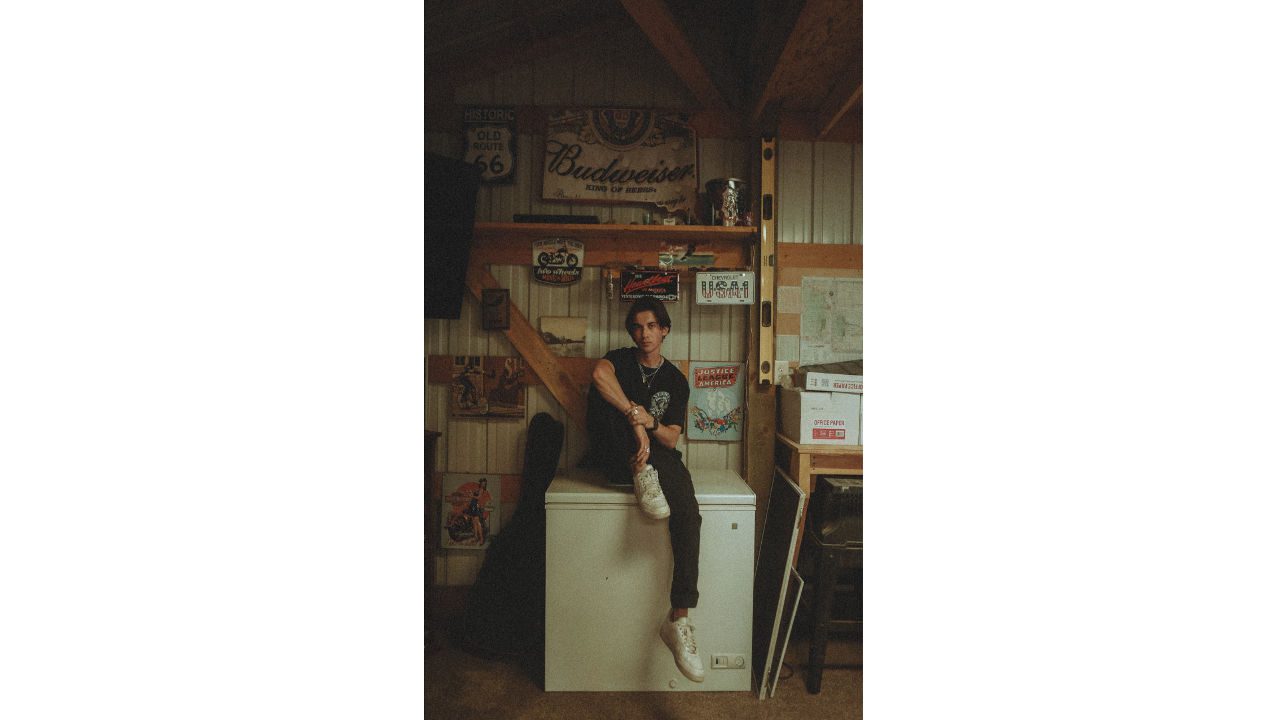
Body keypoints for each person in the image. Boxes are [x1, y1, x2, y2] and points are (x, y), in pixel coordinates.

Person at [586, 297, 704, 683]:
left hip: (655, 453)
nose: (644, 333)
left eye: (652, 326)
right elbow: (600, 375)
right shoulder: (619, 358)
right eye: (637, 326)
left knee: (689, 512)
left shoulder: (676, 381)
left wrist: (649, 424)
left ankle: (679, 619)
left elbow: (671, 436)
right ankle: (642, 473)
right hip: (614, 451)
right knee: (613, 416)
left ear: (665, 329)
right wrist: (633, 417)